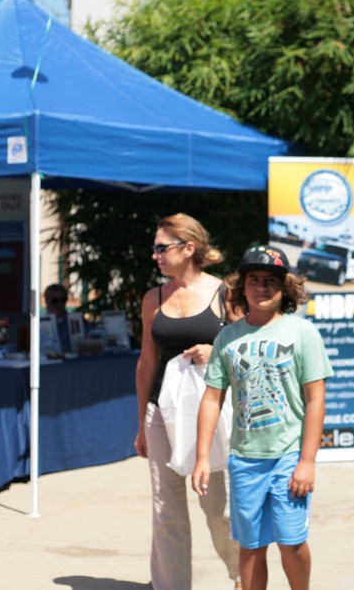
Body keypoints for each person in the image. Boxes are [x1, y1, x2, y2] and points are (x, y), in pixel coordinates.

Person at [193, 245, 332, 590]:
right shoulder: (227, 339)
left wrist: (307, 461)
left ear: (285, 287)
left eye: (271, 280)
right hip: (244, 461)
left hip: (288, 457)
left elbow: (316, 399)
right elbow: (212, 399)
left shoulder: (303, 333)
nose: (262, 287)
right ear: (241, 287)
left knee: (291, 541)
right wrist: (200, 457)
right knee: (250, 547)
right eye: (254, 279)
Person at [134, 213, 241, 590]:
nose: (155, 256)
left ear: (189, 248)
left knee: (219, 511)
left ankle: (242, 576)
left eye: (162, 248)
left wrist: (217, 351)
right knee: (167, 512)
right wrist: (141, 424)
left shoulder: (224, 294)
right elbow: (147, 361)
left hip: (207, 412)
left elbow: (246, 350)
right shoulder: (154, 298)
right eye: (154, 248)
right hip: (160, 413)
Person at [43, 283, 73, 353]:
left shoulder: (75, 321)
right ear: (47, 301)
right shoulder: (39, 324)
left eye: (62, 299)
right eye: (54, 301)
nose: (59, 304)